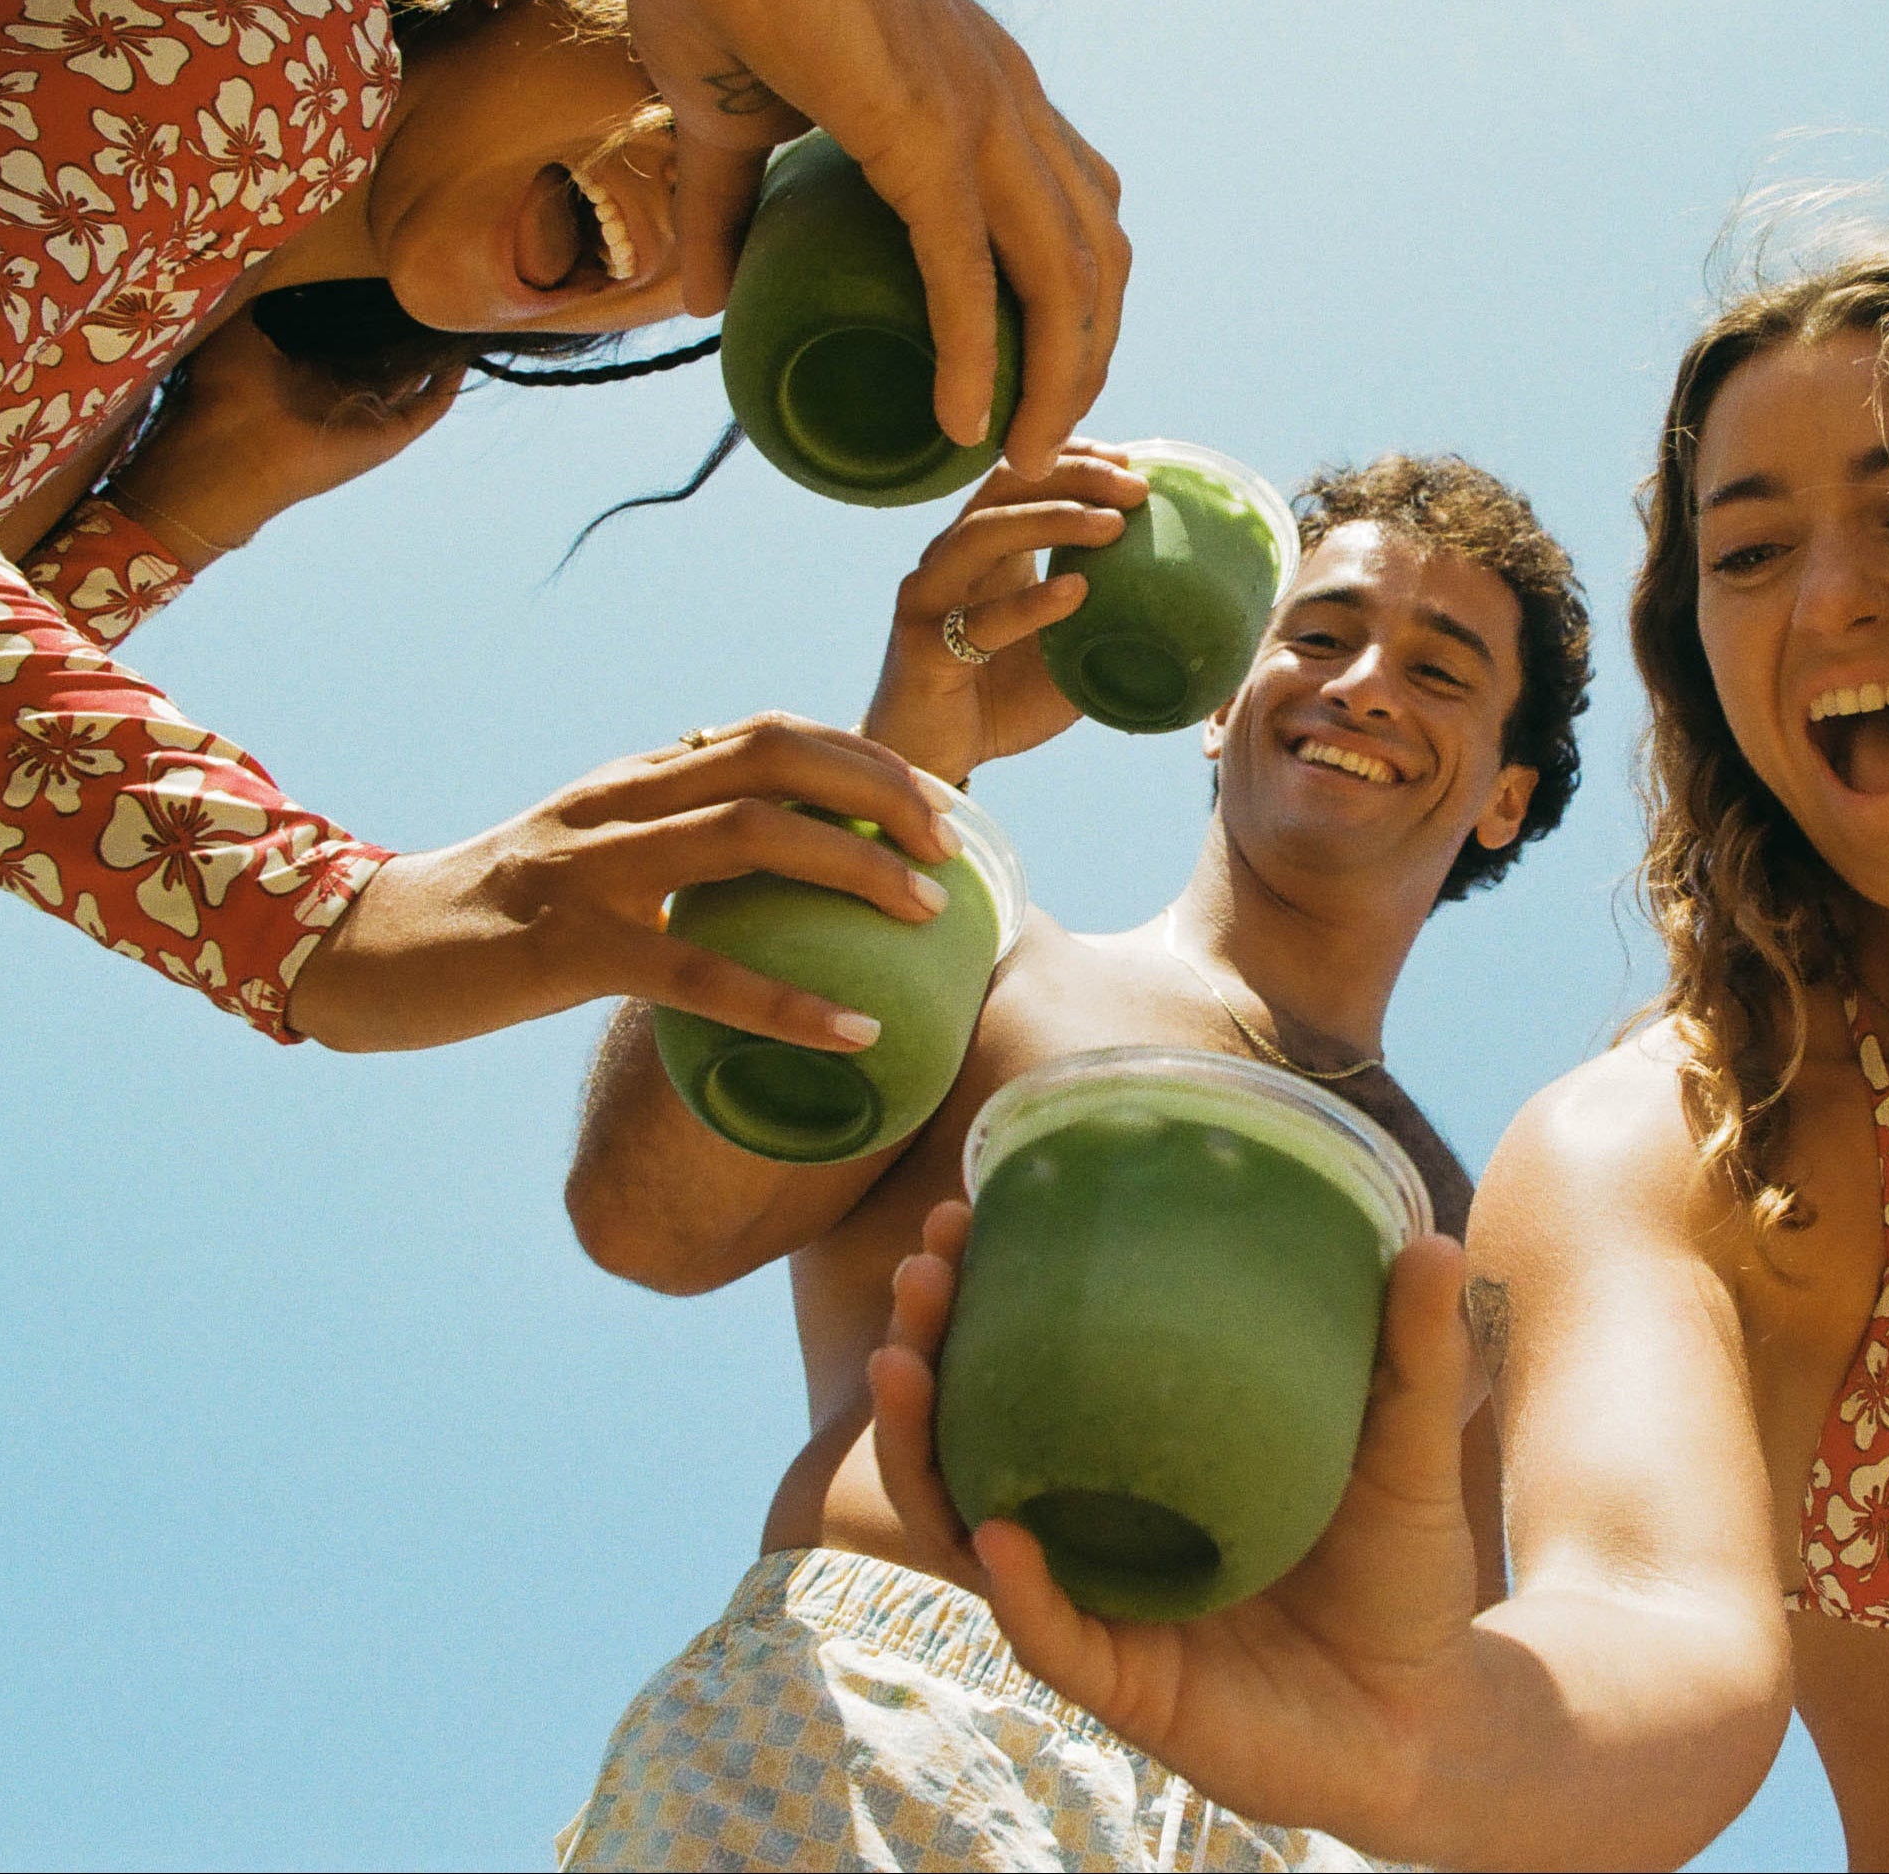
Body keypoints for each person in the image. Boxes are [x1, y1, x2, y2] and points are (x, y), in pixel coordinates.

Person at [870, 242, 1889, 1869]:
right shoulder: (1663, 1156)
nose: (1830, 592)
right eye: (1750, 548)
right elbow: (1650, 1627)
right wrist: (1423, 1730)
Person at [557, 441, 1592, 1869]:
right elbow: (647, 1218)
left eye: (1439, 669)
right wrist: (906, 753)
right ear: (1220, 702)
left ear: (1502, 797)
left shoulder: (1476, 1231)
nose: (1361, 685)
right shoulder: (981, 962)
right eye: (1319, 633)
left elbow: (1450, 1696)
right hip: (879, 1725)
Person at [0, 0, 1126, 1054]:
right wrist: (319, 919)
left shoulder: (132, 382)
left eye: (759, 237)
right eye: (732, 100)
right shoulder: (283, 38)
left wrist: (170, 520)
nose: (687, 182)